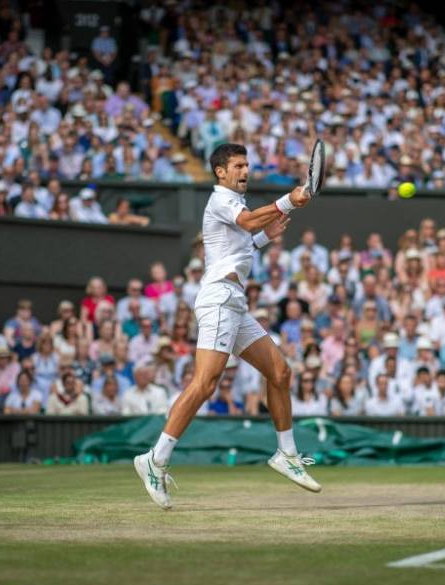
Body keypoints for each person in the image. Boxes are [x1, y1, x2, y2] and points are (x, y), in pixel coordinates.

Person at [133, 143, 318, 511]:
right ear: (220, 172)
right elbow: (248, 223)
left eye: (247, 164)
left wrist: (268, 236)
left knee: (280, 373)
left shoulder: (232, 204)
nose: (244, 170)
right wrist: (288, 201)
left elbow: (242, 243)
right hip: (219, 300)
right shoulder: (221, 198)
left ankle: (287, 454)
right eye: (237, 165)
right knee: (205, 383)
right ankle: (155, 458)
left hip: (235, 305)